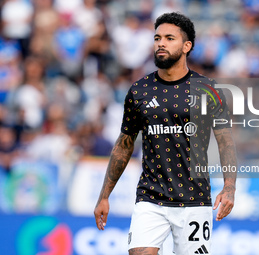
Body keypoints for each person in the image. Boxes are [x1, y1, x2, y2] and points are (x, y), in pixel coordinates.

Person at [94, 12, 237, 255]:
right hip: (150, 198)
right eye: (157, 37)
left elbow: (225, 141)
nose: (161, 43)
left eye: (169, 38)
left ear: (186, 46)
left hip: (195, 199)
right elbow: (124, 144)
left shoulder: (208, 90)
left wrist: (229, 187)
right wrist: (104, 195)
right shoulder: (139, 91)